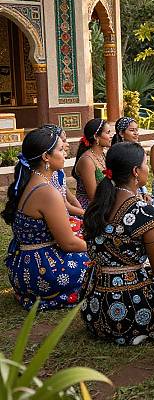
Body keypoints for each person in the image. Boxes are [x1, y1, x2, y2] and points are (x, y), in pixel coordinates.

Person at [80, 142, 154, 345]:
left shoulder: (96, 206)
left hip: (95, 310)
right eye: (145, 163)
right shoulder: (143, 211)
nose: (147, 168)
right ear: (135, 172)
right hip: (134, 310)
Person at [3, 128, 88, 310]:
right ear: (45, 157)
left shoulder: (34, 182)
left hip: (24, 266)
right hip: (42, 271)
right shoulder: (47, 192)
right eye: (59, 149)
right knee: (103, 262)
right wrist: (99, 247)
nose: (64, 152)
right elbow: (69, 244)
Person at [112, 116, 154, 232]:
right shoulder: (117, 153)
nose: (136, 133)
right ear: (121, 133)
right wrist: (136, 196)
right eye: (132, 130)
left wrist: (145, 193)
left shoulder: (138, 149)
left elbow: (140, 179)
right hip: (124, 195)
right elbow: (119, 180)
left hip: (139, 192)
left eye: (137, 130)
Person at [42, 124, 84, 219]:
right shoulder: (47, 177)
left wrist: (83, 212)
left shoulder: (57, 170)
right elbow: (64, 204)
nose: (67, 144)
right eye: (63, 141)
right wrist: (85, 214)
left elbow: (70, 198)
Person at [72, 118, 112, 209]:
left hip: (105, 203)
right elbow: (93, 196)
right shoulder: (87, 161)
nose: (111, 136)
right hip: (90, 208)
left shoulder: (103, 155)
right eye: (108, 133)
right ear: (96, 137)